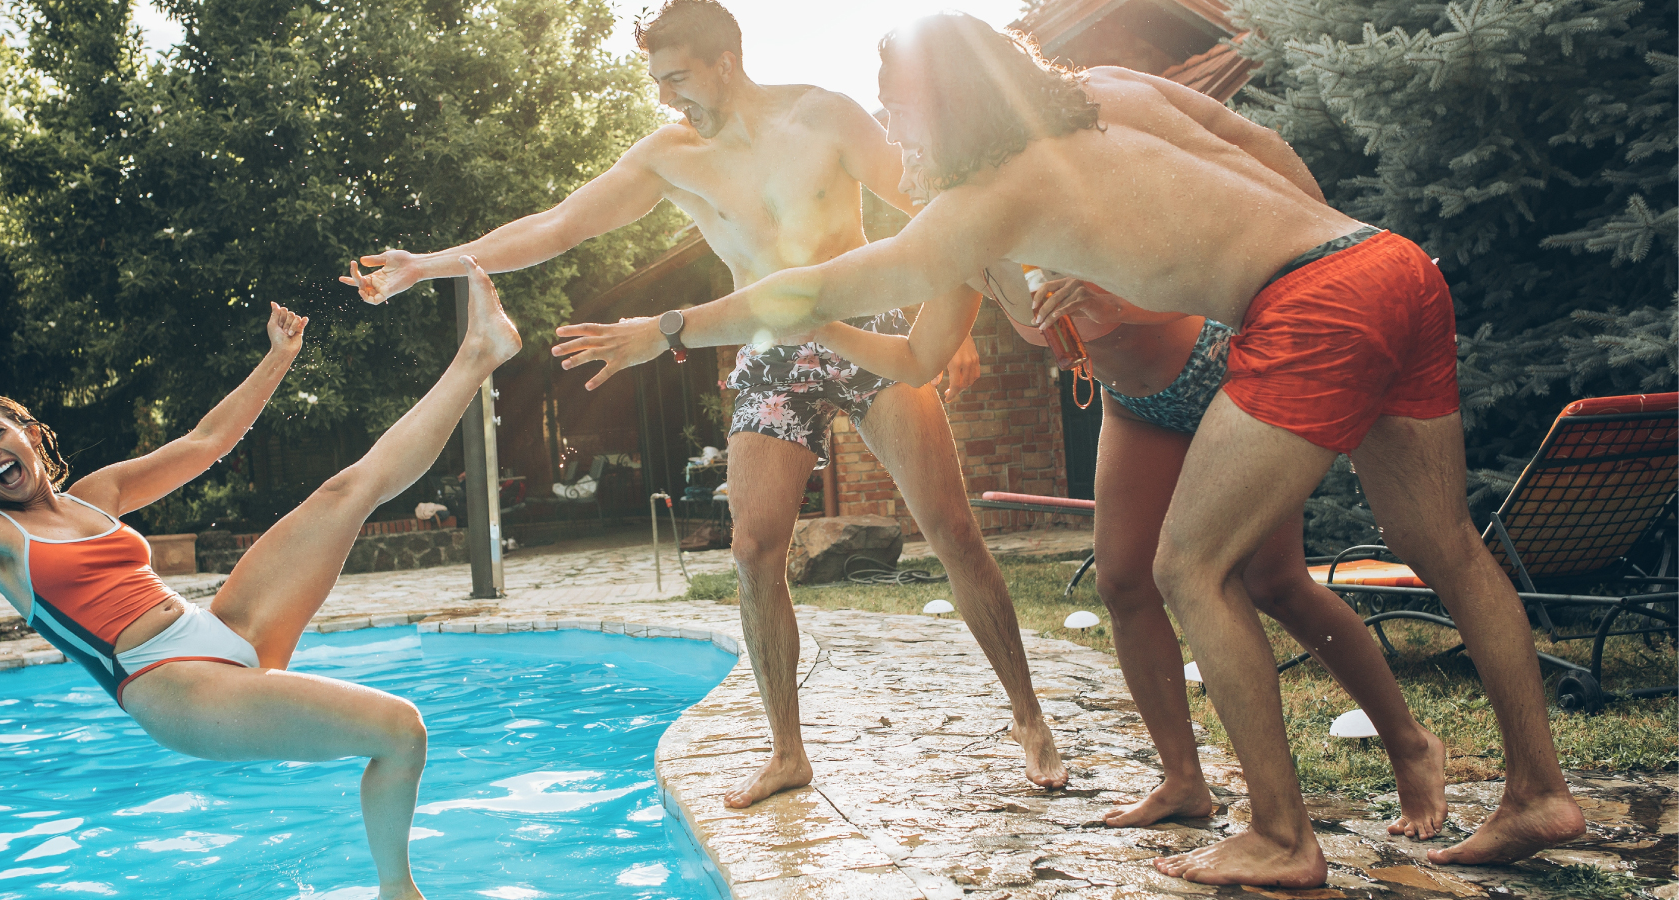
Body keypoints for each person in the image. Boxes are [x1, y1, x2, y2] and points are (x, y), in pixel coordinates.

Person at [547, 11, 1586, 887]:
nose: (891, 131)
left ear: (942, 109)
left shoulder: (992, 198)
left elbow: (813, 290)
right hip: (1382, 259)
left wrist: (674, 327)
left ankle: (1281, 835)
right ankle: (1539, 794)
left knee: (1191, 565)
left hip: (1302, 309)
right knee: (1441, 538)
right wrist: (1324, 236)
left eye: (901, 110)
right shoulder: (1104, 94)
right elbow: (1252, 148)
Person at [341, 0, 1068, 809]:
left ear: (726, 60)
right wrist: (429, 264)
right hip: (768, 350)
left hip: (865, 324)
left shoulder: (823, 117)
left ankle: (1030, 718)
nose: (666, 97)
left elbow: (934, 208)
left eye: (677, 77)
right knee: (755, 548)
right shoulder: (669, 157)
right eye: (657, 81)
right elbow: (559, 225)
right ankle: (787, 751)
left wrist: (950, 319)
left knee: (953, 529)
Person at [0, 258, 523, 900]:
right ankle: (400, 893)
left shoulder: (99, 494)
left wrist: (279, 356)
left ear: (28, 433)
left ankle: (479, 354)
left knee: (346, 490)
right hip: (169, 685)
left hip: (221, 632)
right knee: (399, 729)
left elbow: (208, 439)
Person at [798, 264, 1450, 836]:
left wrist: (1112, 292)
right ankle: (1183, 780)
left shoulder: (1059, 195)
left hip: (1219, 372)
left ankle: (1410, 745)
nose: (902, 150)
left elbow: (1204, 276)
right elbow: (916, 354)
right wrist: (813, 320)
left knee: (1275, 583)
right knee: (1123, 584)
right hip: (1134, 401)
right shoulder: (970, 250)